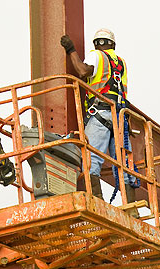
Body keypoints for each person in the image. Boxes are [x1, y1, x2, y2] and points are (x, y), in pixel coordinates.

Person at [60, 28, 138, 207]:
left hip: (100, 113)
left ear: (96, 43)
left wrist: (71, 50)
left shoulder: (96, 56)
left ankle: (97, 201)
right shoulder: (121, 63)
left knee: (91, 159)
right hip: (119, 117)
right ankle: (132, 208)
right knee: (124, 165)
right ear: (113, 44)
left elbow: (82, 71)